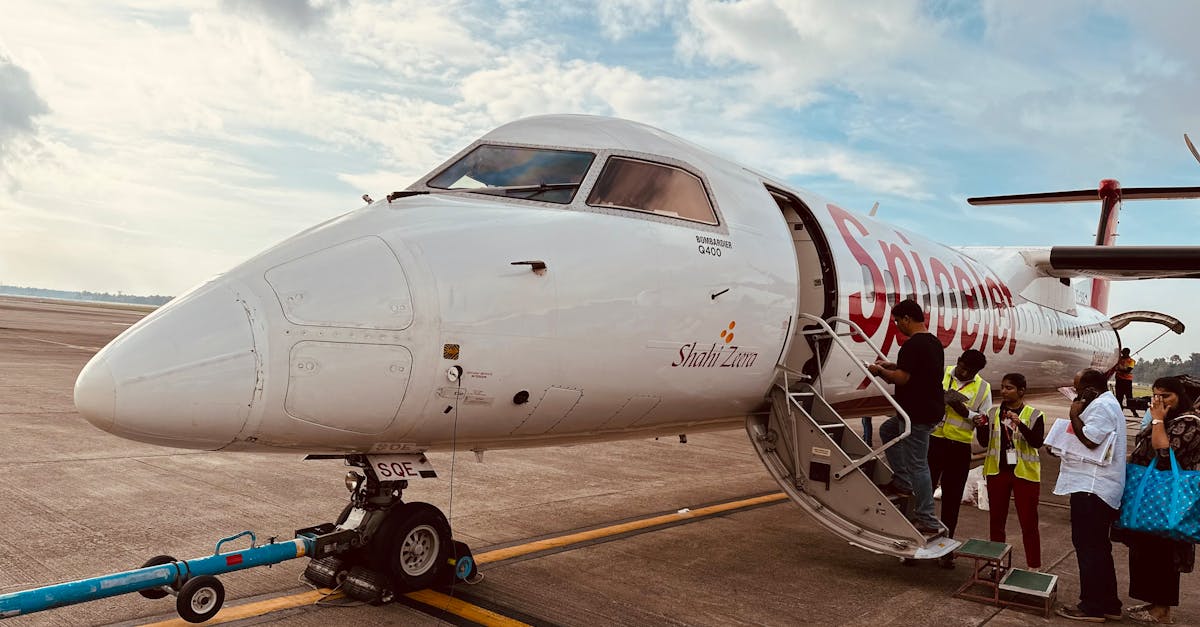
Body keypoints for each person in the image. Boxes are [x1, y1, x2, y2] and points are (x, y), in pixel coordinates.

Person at [1118, 377, 1200, 625]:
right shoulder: (1169, 419)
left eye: (1167, 396)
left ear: (1180, 395)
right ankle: (1154, 602)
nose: (1160, 401)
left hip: (1168, 498)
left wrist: (1157, 420)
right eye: (1156, 395)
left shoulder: (1190, 423)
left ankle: (1162, 609)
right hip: (1153, 497)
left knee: (1164, 554)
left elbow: (1164, 452)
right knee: (1147, 551)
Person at [1055, 368, 1127, 622]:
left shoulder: (1100, 407)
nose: (1074, 394)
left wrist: (1074, 413)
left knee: (1088, 548)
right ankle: (1109, 604)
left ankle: (1092, 606)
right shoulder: (1108, 403)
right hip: (1097, 488)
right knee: (1099, 548)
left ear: (1090, 390)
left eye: (1077, 389)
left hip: (1092, 489)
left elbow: (1090, 440)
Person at [867, 299, 945, 535]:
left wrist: (880, 371)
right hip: (930, 408)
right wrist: (892, 364)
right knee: (888, 430)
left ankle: (927, 517)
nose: (897, 325)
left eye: (898, 321)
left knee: (919, 465)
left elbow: (901, 378)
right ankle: (902, 480)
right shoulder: (933, 342)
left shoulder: (912, 345)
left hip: (916, 414)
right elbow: (917, 370)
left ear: (907, 319)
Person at [928, 349, 992, 566]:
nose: (965, 373)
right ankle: (917, 541)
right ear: (958, 361)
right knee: (922, 493)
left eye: (971, 371)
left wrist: (967, 413)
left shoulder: (983, 388)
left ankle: (945, 547)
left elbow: (983, 420)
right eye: (963, 367)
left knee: (952, 499)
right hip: (934, 440)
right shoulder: (941, 373)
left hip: (959, 447)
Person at [975, 373, 1043, 570]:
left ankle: (1034, 567)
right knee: (996, 520)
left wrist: (1020, 423)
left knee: (1028, 522)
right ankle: (997, 563)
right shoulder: (993, 413)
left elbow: (1036, 442)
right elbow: (983, 442)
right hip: (998, 472)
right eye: (1003, 387)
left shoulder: (1034, 414)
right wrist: (980, 427)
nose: (1003, 391)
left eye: (1009, 388)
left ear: (1021, 391)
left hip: (1024, 475)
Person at [1113, 347, 1140, 421]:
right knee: (1119, 397)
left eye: (1123, 353)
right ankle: (1119, 413)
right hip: (1119, 380)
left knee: (1129, 397)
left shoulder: (1131, 361)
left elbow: (1128, 370)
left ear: (1127, 353)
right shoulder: (1118, 360)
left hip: (1127, 381)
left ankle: (1133, 411)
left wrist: (1118, 368)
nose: (1121, 354)